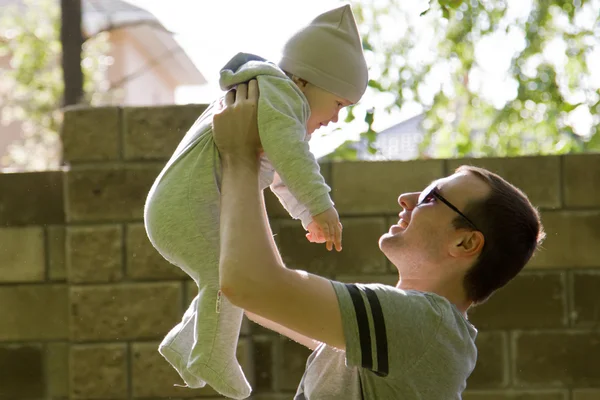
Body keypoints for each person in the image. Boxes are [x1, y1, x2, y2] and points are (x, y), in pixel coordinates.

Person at [212, 80, 546, 399]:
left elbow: (252, 286)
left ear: (465, 244)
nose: (406, 197)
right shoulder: (408, 331)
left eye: (431, 198)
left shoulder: (421, 325)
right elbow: (252, 294)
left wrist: (240, 156)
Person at [143, 3, 368, 399]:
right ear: (306, 81)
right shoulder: (280, 94)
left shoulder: (271, 101)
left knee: (221, 277)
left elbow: (280, 172)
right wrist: (320, 204)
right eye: (338, 104)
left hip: (177, 207)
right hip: (182, 209)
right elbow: (294, 159)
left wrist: (304, 214)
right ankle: (214, 355)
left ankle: (185, 343)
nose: (335, 119)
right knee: (226, 279)